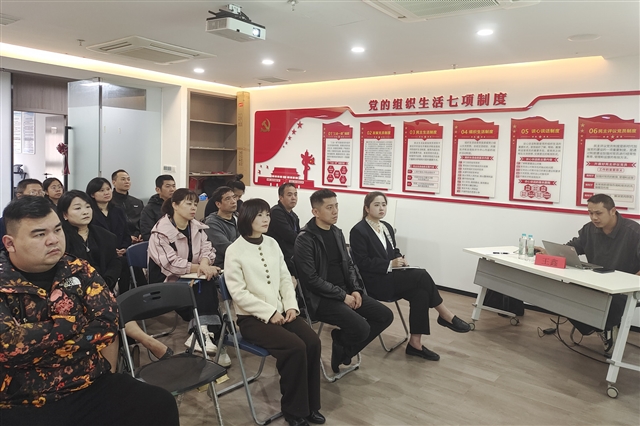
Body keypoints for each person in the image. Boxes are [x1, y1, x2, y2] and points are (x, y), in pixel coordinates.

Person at [0, 196, 179, 426]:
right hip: (22, 398)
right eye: (39, 234)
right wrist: (74, 324)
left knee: (159, 403)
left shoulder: (79, 269)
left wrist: (40, 339)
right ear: (10, 243)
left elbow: (107, 323)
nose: (53, 240)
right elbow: (10, 347)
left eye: (57, 230)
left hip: (88, 381)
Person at [225, 199, 324, 426]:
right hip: (252, 319)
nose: (266, 219)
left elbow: (284, 278)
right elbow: (238, 293)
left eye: (267, 214)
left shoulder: (272, 243)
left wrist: (290, 306)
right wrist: (269, 312)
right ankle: (294, 410)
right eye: (260, 215)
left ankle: (310, 406)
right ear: (247, 218)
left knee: (312, 342)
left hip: (282, 311)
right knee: (295, 347)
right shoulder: (234, 250)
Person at [349, 191, 470, 361]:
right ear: (367, 208)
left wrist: (400, 259)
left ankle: (415, 344)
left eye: (384, 204)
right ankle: (445, 315)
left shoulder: (386, 227)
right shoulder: (358, 230)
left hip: (391, 277)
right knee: (421, 275)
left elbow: (393, 250)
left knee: (420, 293)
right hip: (374, 282)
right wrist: (389, 264)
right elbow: (361, 262)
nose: (381, 208)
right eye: (376, 205)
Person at [294, 189, 394, 373]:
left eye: (336, 206)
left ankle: (344, 347)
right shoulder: (305, 239)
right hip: (320, 299)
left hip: (345, 292)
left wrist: (355, 289)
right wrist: (342, 296)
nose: (335, 211)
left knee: (385, 316)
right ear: (315, 212)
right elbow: (311, 279)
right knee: (361, 328)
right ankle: (341, 340)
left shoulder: (337, 232)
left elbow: (349, 265)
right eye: (329, 207)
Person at [129, 188, 231, 367]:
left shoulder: (197, 227)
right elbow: (171, 264)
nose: (193, 208)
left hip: (192, 279)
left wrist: (205, 263)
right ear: (175, 205)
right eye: (188, 203)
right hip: (165, 284)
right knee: (204, 289)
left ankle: (202, 333)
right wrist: (202, 268)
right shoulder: (160, 233)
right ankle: (214, 336)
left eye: (195, 204)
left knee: (204, 285)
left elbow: (208, 249)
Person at [546, 193, 640, 353]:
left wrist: (631, 284)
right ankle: (598, 328)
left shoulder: (634, 232)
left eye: (598, 213)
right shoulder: (589, 229)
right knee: (566, 293)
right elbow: (571, 248)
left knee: (610, 302)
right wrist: (549, 253)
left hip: (624, 289)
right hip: (596, 281)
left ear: (613, 211)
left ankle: (605, 327)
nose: (594, 218)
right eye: (590, 213)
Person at [57, 190, 122, 291]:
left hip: (104, 287)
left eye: (88, 206)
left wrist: (106, 282)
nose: (85, 212)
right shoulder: (58, 239)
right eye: (78, 208)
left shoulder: (106, 236)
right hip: (72, 290)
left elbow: (114, 262)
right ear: (65, 214)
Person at [86, 177, 132, 292]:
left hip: (120, 253)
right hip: (100, 255)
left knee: (126, 263)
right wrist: (112, 251)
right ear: (92, 194)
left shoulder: (118, 210)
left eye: (108, 189)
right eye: (101, 190)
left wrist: (124, 248)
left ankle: (125, 296)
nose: (106, 193)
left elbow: (126, 233)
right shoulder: (90, 213)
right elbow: (92, 237)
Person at [267, 182, 300, 276]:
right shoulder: (276, 212)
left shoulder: (294, 216)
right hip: (278, 258)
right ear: (281, 197)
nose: (293, 198)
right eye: (289, 195)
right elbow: (289, 235)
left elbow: (298, 236)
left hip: (290, 257)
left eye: (295, 194)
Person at [1, 179, 44, 250]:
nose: (38, 196)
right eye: (33, 192)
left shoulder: (47, 215)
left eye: (40, 192)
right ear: (19, 196)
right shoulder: (9, 219)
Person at [204, 186, 240, 268]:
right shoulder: (212, 223)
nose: (233, 201)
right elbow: (226, 248)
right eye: (228, 199)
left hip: (240, 262)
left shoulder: (238, 217)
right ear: (218, 204)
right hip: (222, 266)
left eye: (234, 197)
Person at [111, 169, 144, 243]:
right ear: (114, 182)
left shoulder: (137, 202)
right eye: (123, 179)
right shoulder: (109, 201)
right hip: (118, 239)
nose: (127, 182)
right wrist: (128, 237)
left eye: (128, 179)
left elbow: (143, 221)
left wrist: (141, 234)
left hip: (138, 239)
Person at [140, 174, 176, 241]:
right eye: (168, 186)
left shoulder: (178, 206)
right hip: (159, 244)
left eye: (173, 186)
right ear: (158, 190)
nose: (172, 189)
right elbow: (147, 234)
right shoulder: (149, 209)